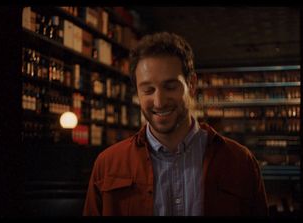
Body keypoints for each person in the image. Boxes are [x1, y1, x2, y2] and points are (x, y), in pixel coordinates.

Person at [83, 32, 268, 216]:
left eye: (170, 87)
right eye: (148, 90)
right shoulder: (107, 164)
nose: (159, 102)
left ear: (192, 85)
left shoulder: (241, 161)